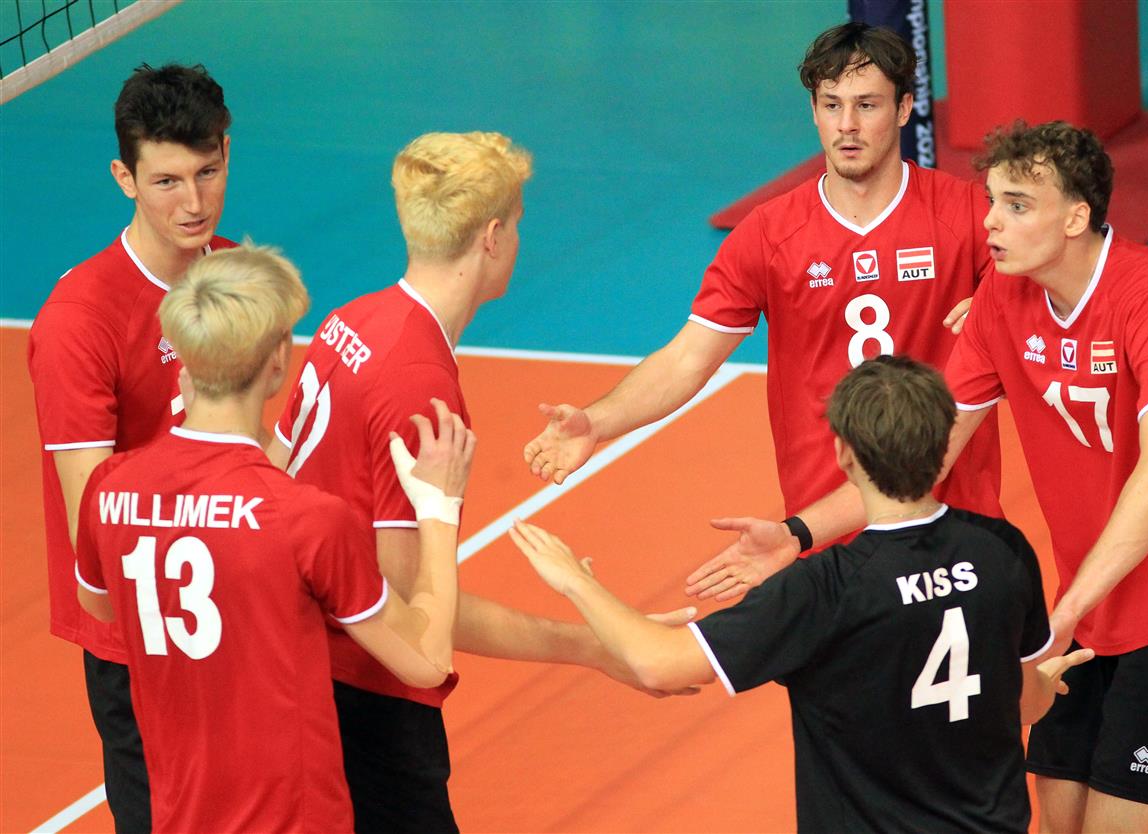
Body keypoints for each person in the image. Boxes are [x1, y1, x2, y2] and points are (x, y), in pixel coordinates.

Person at [267, 131, 693, 832]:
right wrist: (598, 643)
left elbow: (272, 471)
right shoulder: (420, 385)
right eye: (518, 223)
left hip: (297, 669)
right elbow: (410, 613)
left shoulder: (352, 319)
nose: (519, 238)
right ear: (491, 237)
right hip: (365, 703)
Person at [522, 21, 1002, 602]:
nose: (847, 125)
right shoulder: (769, 236)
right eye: (832, 105)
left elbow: (1056, 302)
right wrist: (598, 423)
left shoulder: (970, 217)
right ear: (814, 111)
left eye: (867, 105)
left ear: (903, 109)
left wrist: (1002, 305)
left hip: (956, 525)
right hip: (824, 535)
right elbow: (687, 359)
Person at [510, 355, 1093, 833]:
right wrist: (1043, 686)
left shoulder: (824, 589)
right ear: (944, 446)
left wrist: (578, 583)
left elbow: (660, 663)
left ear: (844, 455)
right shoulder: (1002, 551)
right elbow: (1022, 703)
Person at [73, 244, 474, 833]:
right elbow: (426, 661)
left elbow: (99, 604)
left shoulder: (109, 488)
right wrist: (438, 510)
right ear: (278, 359)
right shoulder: (306, 518)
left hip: (179, 816)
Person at [941, 120, 1148, 833]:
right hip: (1087, 601)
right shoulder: (1002, 296)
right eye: (992, 201)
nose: (990, 221)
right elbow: (927, 452)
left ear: (1075, 217)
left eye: (1017, 204)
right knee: (1060, 822)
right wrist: (803, 538)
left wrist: (1061, 617)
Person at [27, 62, 235, 831]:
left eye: (207, 172)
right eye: (166, 182)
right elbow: (94, 515)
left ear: (227, 151)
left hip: (232, 595)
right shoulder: (80, 320)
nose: (194, 203)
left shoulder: (232, 272)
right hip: (142, 623)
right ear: (125, 179)